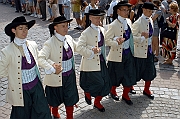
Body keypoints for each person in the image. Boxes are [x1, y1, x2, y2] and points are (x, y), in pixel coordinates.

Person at [0, 16, 51, 119]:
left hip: (36, 86)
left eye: (26, 28)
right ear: (13, 30)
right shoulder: (7, 51)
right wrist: (14, 75)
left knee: (42, 112)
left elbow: (39, 58)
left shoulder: (32, 44)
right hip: (21, 90)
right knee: (22, 115)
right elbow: (1, 71)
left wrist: (51, 66)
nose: (24, 31)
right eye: (20, 28)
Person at [38, 16, 79, 119]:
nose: (66, 28)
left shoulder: (69, 38)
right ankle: (55, 113)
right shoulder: (49, 43)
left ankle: (70, 117)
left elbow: (78, 47)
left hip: (69, 76)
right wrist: (52, 66)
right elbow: (40, 58)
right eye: (63, 26)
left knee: (70, 97)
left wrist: (90, 49)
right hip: (55, 78)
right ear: (55, 27)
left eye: (67, 26)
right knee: (54, 98)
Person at [76, 9, 111, 112]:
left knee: (106, 83)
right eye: (95, 18)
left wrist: (116, 40)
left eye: (99, 18)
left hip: (102, 61)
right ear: (90, 18)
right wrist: (91, 51)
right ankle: (88, 92)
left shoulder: (102, 29)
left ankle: (97, 102)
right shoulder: (86, 32)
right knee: (99, 83)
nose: (97, 20)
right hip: (90, 64)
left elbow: (107, 41)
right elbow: (79, 48)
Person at [105, 1, 136, 105]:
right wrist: (116, 42)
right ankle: (112, 91)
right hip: (117, 55)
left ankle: (126, 95)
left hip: (128, 53)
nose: (126, 12)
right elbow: (107, 40)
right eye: (124, 10)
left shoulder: (129, 22)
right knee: (115, 75)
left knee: (129, 74)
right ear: (118, 11)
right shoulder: (113, 25)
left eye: (128, 10)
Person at [132, 2, 157, 100]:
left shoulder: (150, 19)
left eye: (152, 11)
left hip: (149, 51)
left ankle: (146, 89)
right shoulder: (138, 22)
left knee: (150, 71)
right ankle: (129, 87)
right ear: (144, 10)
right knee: (136, 72)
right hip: (139, 52)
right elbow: (132, 37)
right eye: (150, 11)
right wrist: (141, 38)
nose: (151, 13)